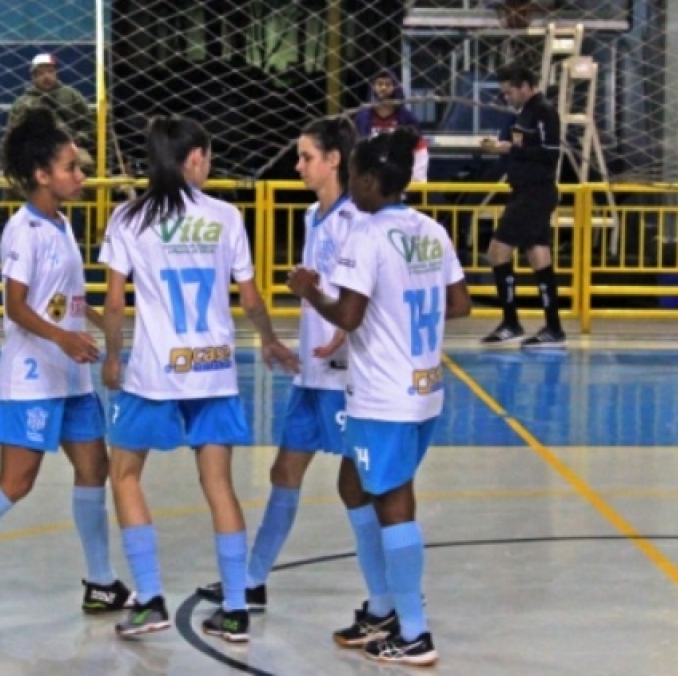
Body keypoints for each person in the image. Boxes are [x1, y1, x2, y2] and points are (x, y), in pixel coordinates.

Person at [0, 107, 132, 621]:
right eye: (71, 167)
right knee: (16, 481)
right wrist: (65, 338)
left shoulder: (61, 224)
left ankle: (100, 582)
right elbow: (16, 305)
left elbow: (65, 296)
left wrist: (99, 323)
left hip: (70, 374)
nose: (80, 175)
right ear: (41, 175)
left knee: (93, 467)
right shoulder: (23, 230)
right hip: (33, 374)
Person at [98, 115, 298, 643]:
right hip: (214, 370)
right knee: (219, 486)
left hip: (155, 373)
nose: (208, 165)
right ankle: (235, 606)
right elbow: (250, 298)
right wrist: (271, 340)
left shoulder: (128, 219)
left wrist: (112, 357)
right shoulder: (227, 217)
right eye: (206, 156)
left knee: (124, 475)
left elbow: (115, 302)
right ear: (193, 159)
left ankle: (151, 597)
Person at [194, 116, 389, 635]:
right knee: (285, 473)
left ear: (333, 161)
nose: (298, 165)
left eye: (306, 157)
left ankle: (382, 601)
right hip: (312, 373)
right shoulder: (312, 217)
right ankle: (254, 579)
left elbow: (363, 296)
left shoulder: (358, 220)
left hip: (347, 377)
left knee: (360, 487)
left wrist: (346, 334)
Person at [287, 127, 471, 667]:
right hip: (423, 387)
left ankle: (414, 630)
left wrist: (309, 291)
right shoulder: (430, 231)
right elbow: (458, 304)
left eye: (354, 178)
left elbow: (348, 316)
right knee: (353, 483)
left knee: (393, 503)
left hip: (383, 393)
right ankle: (384, 606)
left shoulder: (364, 235)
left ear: (367, 180)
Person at [479, 62, 565, 348]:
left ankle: (511, 321)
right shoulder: (523, 114)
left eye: (509, 92)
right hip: (523, 191)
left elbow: (551, 152)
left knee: (497, 251)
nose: (507, 98)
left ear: (526, 87)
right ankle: (553, 326)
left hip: (535, 194)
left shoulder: (544, 112)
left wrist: (511, 148)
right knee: (539, 256)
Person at [9, 54, 95, 173]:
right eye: (41, 73)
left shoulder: (71, 96)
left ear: (56, 73)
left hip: (69, 147)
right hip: (36, 153)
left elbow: (89, 124)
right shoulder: (23, 103)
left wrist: (78, 139)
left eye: (50, 71)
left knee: (85, 165)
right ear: (33, 77)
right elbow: (13, 134)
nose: (46, 76)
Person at [354, 70, 429, 182]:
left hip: (399, 177)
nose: (383, 88)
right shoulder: (362, 117)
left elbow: (419, 148)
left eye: (388, 84)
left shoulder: (407, 118)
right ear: (373, 87)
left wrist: (416, 179)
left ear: (395, 87)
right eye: (379, 84)